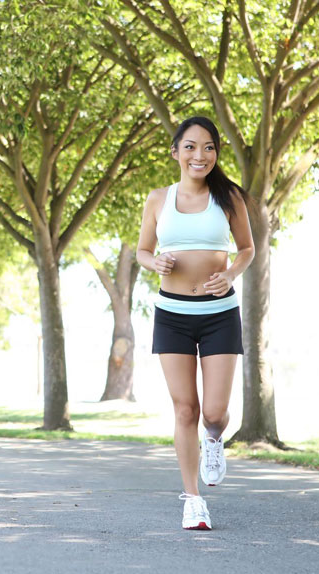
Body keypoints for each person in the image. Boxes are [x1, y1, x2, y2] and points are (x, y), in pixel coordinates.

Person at [136, 116, 255, 530]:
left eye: (208, 147)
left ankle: (215, 440)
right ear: (175, 152)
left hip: (220, 313)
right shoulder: (157, 199)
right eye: (190, 146)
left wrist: (231, 274)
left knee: (215, 412)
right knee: (185, 408)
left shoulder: (230, 197)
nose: (199, 155)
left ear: (216, 154)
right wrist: (156, 262)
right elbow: (142, 251)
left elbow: (247, 249)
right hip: (172, 315)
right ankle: (192, 500)